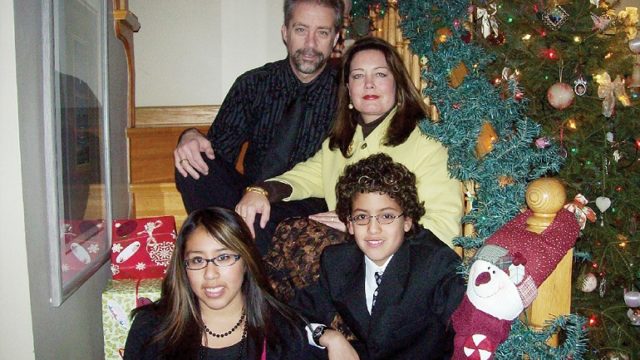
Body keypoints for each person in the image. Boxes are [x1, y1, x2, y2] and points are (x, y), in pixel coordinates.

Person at [237, 36, 462, 264]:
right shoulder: (343, 142)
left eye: (380, 74)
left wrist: (360, 225)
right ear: (348, 89)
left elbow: (443, 227)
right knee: (262, 223)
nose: (369, 83)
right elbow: (304, 176)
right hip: (346, 252)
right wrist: (260, 191)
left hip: (400, 260)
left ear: (398, 84)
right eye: (358, 76)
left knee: (306, 240)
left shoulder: (427, 143)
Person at [174, 0, 344, 254]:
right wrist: (189, 136)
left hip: (308, 204)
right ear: (285, 32)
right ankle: (233, 245)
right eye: (301, 30)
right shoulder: (253, 84)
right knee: (191, 163)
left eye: (322, 32)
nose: (310, 44)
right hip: (247, 195)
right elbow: (218, 153)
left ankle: (226, 249)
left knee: (257, 219)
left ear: (336, 38)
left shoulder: (349, 92)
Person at [291, 153, 466, 359]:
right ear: (349, 224)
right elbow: (295, 315)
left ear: (408, 220)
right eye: (362, 217)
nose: (373, 229)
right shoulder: (338, 262)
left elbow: (467, 334)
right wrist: (329, 337)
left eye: (387, 216)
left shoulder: (436, 265)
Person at [123, 207, 323, 359]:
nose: (210, 274)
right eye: (197, 260)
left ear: (246, 261)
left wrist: (330, 336)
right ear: (183, 268)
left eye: (224, 257)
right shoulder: (151, 329)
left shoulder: (283, 332)